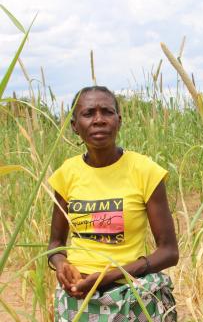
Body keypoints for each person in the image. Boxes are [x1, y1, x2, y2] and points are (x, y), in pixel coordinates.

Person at [47, 86, 179, 321]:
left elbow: (169, 252)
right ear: (75, 126)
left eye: (107, 112)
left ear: (119, 121)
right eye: (88, 114)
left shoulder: (144, 171)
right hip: (77, 297)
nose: (98, 120)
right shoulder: (66, 174)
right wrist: (61, 264)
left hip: (129, 294)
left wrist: (110, 275)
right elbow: (55, 244)